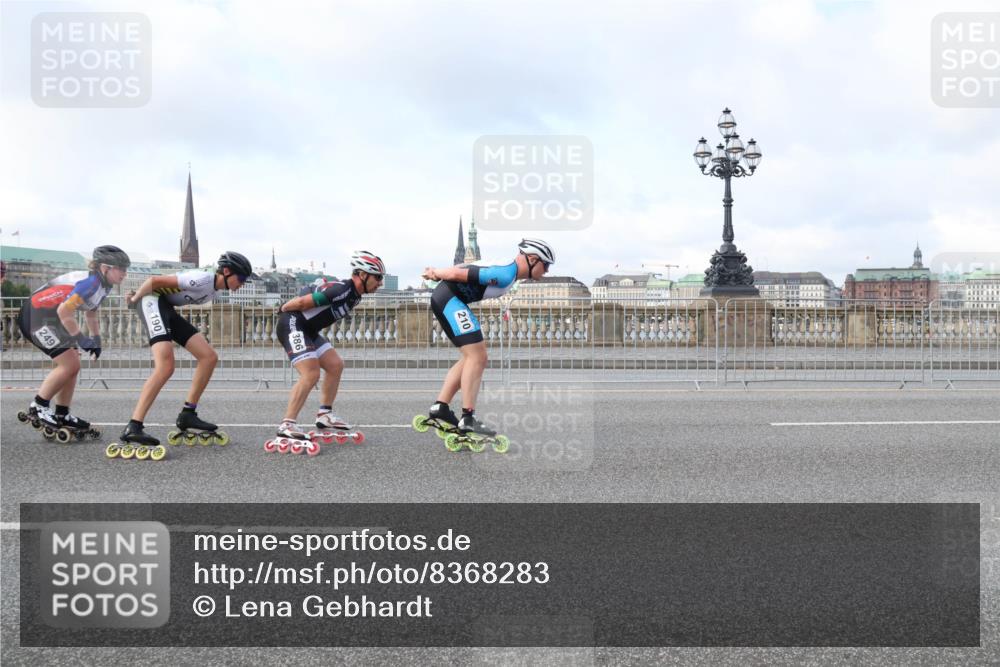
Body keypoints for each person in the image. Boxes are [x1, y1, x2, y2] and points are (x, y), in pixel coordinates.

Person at [421, 238, 554, 436]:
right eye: (546, 265)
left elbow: (464, 266)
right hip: (450, 300)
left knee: (471, 358)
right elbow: (458, 273)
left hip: (449, 299)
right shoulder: (505, 273)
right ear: (533, 259)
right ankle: (467, 417)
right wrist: (435, 273)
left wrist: (439, 273)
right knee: (478, 357)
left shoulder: (509, 273)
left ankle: (440, 406)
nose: (547, 272)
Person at [121, 251, 255, 447]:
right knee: (165, 366)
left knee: (209, 357)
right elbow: (154, 280)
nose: (242, 284)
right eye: (241, 278)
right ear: (226, 271)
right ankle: (133, 425)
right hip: (151, 301)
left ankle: (188, 414)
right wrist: (134, 301)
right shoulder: (202, 279)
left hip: (166, 307)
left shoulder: (215, 290)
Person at [17, 245, 130, 438]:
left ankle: (62, 413)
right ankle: (38, 405)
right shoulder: (90, 283)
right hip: (35, 316)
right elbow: (64, 311)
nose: (125, 274)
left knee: (73, 364)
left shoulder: (104, 285)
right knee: (69, 364)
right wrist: (81, 338)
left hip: (50, 317)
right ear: (105, 268)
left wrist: (96, 339)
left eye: (126, 269)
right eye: (121, 268)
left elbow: (90, 312)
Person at [273, 250, 385, 442]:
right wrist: (282, 308)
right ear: (363, 275)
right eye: (378, 277)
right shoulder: (342, 289)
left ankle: (324, 415)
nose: (380, 283)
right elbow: (301, 302)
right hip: (293, 324)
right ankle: (287, 423)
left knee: (335, 365)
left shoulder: (356, 295)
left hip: (308, 330)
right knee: (311, 373)